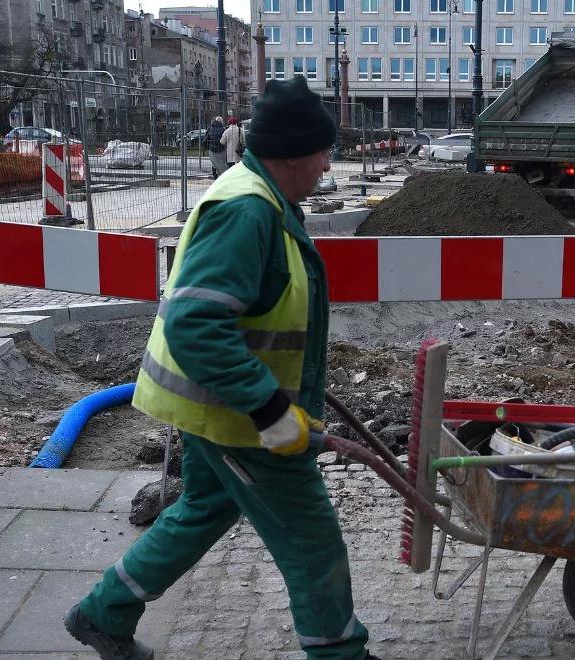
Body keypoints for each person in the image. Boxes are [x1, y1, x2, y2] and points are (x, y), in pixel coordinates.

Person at [64, 76, 375, 660]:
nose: (329, 164)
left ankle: (104, 612)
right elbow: (195, 324)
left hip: (218, 409)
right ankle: (341, 654)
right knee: (313, 544)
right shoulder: (246, 212)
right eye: (325, 150)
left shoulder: (264, 198)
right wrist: (271, 407)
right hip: (243, 421)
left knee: (202, 511)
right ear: (295, 152)